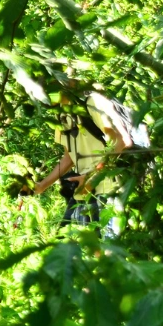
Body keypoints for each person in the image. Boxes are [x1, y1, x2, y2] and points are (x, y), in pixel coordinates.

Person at [32, 91, 137, 234]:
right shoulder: (60, 115)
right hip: (83, 191)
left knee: (109, 250)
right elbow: (69, 156)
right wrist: (41, 186)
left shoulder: (92, 102)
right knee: (83, 251)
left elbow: (122, 141)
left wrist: (90, 177)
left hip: (109, 190)